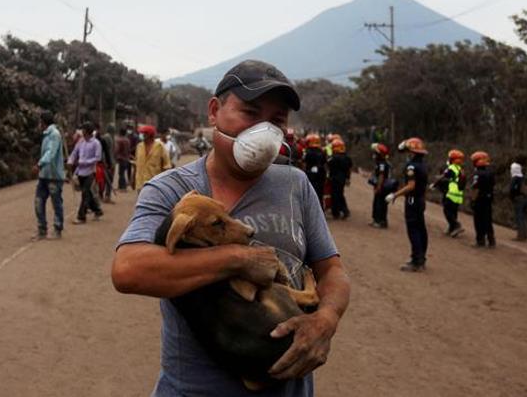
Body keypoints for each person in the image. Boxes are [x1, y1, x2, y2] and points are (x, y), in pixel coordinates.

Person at [111, 59, 351, 396]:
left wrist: (326, 320)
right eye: (250, 114)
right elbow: (128, 270)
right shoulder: (172, 190)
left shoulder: (295, 184)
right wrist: (239, 260)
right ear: (214, 111)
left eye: (276, 121)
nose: (263, 131)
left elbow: (332, 270)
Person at [385, 138, 429, 272]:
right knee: (421, 229)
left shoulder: (412, 167)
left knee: (414, 230)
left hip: (412, 200)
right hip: (420, 199)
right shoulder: (423, 165)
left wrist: (395, 195)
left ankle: (416, 261)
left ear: (411, 152)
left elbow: (411, 186)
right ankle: (421, 258)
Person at [34, 111, 66, 240]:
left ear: (43, 122)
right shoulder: (46, 135)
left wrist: (39, 164)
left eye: (40, 121)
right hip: (44, 175)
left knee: (56, 202)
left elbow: (50, 153)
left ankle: (57, 229)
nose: (38, 124)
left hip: (54, 176)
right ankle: (42, 229)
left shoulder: (54, 135)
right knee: (38, 202)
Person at [68, 122, 103, 224]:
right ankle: (97, 210)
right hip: (80, 172)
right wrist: (70, 161)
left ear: (88, 132)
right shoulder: (81, 142)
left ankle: (81, 217)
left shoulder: (96, 143)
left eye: (83, 130)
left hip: (90, 172)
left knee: (85, 193)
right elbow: (74, 153)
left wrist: (85, 162)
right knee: (88, 193)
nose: (82, 132)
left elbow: (98, 158)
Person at [432, 149, 466, 237]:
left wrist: (434, 184)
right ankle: (451, 228)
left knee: (447, 211)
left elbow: (442, 177)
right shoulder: (460, 169)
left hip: (451, 193)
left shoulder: (451, 168)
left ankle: (456, 225)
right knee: (453, 211)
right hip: (458, 195)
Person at [469, 151, 496, 249]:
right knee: (488, 220)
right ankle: (491, 240)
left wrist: (472, 200)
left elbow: (476, 188)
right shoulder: (491, 173)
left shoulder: (477, 174)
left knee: (479, 220)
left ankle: (480, 241)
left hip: (480, 200)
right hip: (489, 199)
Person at [134, 125, 172, 189]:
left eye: (145, 133)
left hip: (154, 183)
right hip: (140, 183)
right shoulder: (139, 146)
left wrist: (165, 182)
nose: (142, 135)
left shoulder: (160, 146)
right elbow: (136, 164)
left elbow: (166, 166)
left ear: (150, 135)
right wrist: (133, 179)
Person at [327, 139, 352, 220]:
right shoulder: (347, 158)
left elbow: (329, 165)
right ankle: (343, 211)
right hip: (342, 179)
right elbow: (349, 169)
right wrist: (348, 178)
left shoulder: (334, 158)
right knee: (340, 194)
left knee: (335, 195)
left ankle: (338, 212)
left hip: (335, 178)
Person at [369, 143, 391, 229]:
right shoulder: (381, 163)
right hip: (382, 186)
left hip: (382, 187)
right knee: (378, 203)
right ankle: (377, 220)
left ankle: (380, 221)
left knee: (380, 204)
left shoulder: (382, 164)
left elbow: (381, 176)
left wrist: (378, 187)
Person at [302, 133, 326, 209]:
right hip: (321, 174)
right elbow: (325, 162)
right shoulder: (322, 151)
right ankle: (320, 208)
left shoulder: (308, 152)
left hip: (310, 175)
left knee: (310, 192)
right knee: (320, 192)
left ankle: (311, 209)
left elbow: (304, 162)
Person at [509, 159, 527, 241]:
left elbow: (512, 190)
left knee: (519, 217)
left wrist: (511, 197)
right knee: (523, 217)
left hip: (518, 199)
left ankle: (520, 236)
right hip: (526, 199)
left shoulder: (515, 179)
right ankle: (525, 234)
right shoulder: (523, 178)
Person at [100, 124, 116, 203]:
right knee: (107, 179)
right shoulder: (107, 137)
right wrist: (107, 162)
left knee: (108, 179)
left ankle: (105, 196)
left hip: (109, 161)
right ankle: (106, 196)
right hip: (108, 162)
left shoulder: (110, 137)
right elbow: (105, 151)